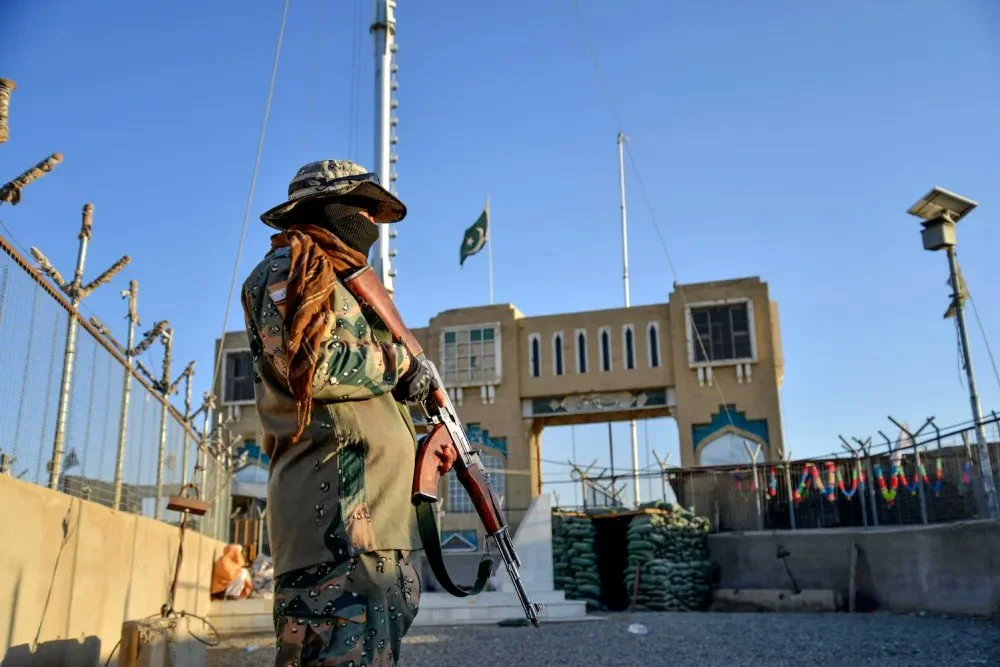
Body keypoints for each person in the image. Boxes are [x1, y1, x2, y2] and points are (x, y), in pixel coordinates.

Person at [241, 159, 455, 666]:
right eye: (361, 208)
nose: (371, 225)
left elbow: (364, 393)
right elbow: (309, 367)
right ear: (328, 209)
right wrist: (403, 361)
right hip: (334, 525)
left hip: (376, 528)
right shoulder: (291, 269)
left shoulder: (345, 285)